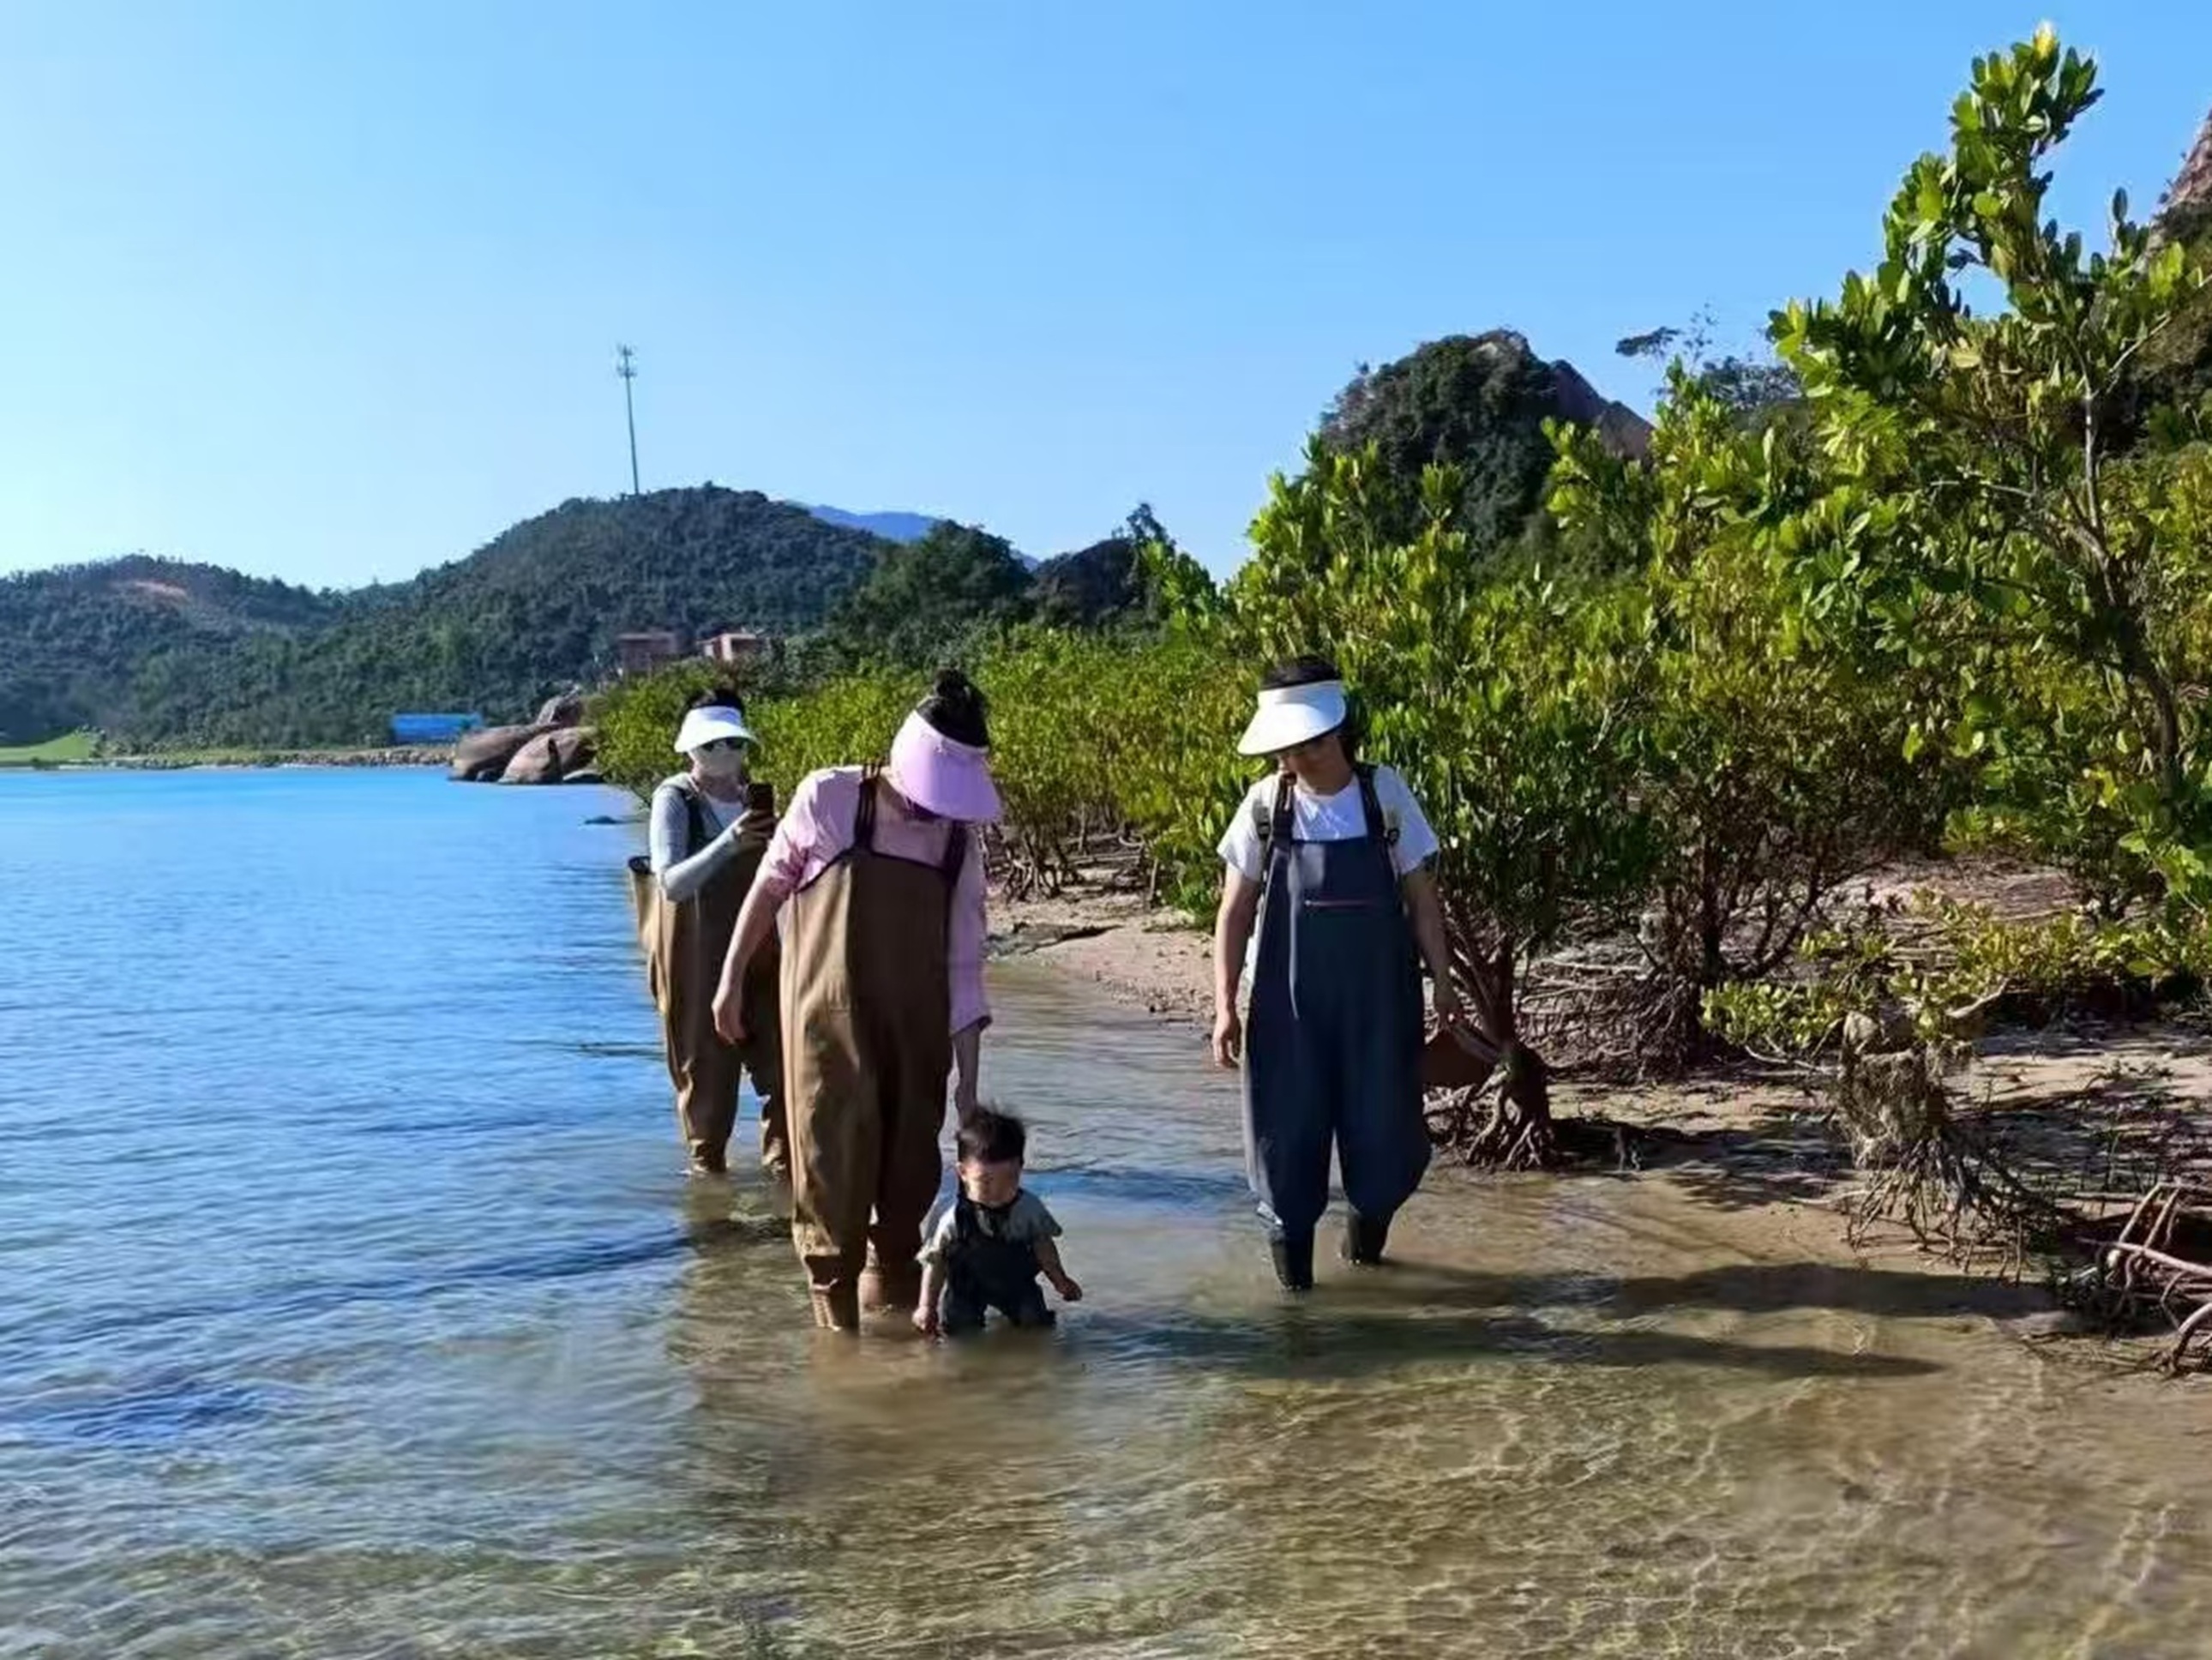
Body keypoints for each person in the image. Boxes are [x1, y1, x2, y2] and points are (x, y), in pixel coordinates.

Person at [712, 669, 999, 1332]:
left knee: (905, 1191)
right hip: (825, 1036)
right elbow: (769, 886)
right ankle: (838, 1348)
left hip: (917, 1039)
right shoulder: (832, 798)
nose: (936, 811)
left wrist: (969, 1085)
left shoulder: (958, 841)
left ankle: (897, 1328)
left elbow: (963, 964)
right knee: (830, 1187)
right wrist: (731, 980)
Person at [1209, 656, 1464, 1291]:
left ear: (1339, 731)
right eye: (1290, 747)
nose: (1300, 757)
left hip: (1379, 1006)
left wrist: (1445, 980)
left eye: (1311, 743)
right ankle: (1296, 1308)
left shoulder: (1385, 794)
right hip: (1285, 1008)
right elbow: (1234, 911)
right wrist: (1224, 1006)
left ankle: (1365, 1269)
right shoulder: (1266, 805)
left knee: (1383, 1139)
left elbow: (1422, 900)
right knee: (1285, 1144)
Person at [636, 689, 786, 1181]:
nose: (723, 757)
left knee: (786, 1077)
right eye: (710, 747)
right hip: (695, 964)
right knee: (707, 1091)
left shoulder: (753, 800)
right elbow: (671, 883)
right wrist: (730, 842)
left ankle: (785, 1197)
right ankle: (711, 1212)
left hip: (761, 958)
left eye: (732, 745)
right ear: (689, 749)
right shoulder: (675, 798)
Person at [914, 1107, 1081, 1338]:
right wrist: (927, 1306)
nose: (998, 1192)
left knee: (1036, 1326)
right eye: (985, 1182)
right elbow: (935, 1264)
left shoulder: (1028, 1209)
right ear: (962, 1173)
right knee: (959, 1333)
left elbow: (1044, 1248)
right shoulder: (951, 1217)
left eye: (1009, 1180)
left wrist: (1060, 1280)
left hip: (1017, 1284)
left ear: (1021, 1168)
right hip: (966, 1287)